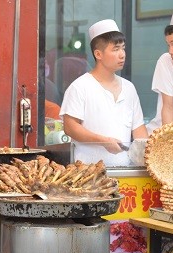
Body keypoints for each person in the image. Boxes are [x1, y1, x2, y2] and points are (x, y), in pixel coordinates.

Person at [60, 19, 148, 166]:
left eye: (123, 48)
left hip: (125, 173)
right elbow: (70, 127)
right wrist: (103, 141)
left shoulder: (129, 88)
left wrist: (146, 156)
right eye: (115, 49)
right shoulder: (80, 87)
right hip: (88, 175)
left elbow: (139, 130)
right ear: (98, 54)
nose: (122, 54)